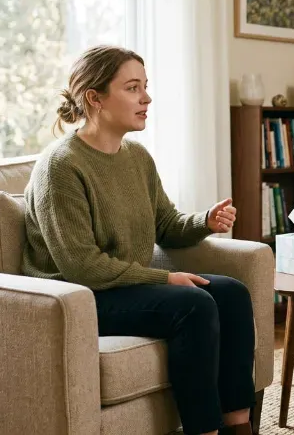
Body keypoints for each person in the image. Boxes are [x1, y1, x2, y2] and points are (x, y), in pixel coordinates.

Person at [22, 45, 255, 435]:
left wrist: (205, 220)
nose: (146, 98)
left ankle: (240, 427)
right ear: (94, 98)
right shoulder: (61, 167)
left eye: (145, 86)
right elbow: (83, 266)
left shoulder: (137, 157)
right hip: (76, 297)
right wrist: (164, 279)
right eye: (132, 88)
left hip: (119, 286)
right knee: (193, 305)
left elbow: (165, 224)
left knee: (231, 293)